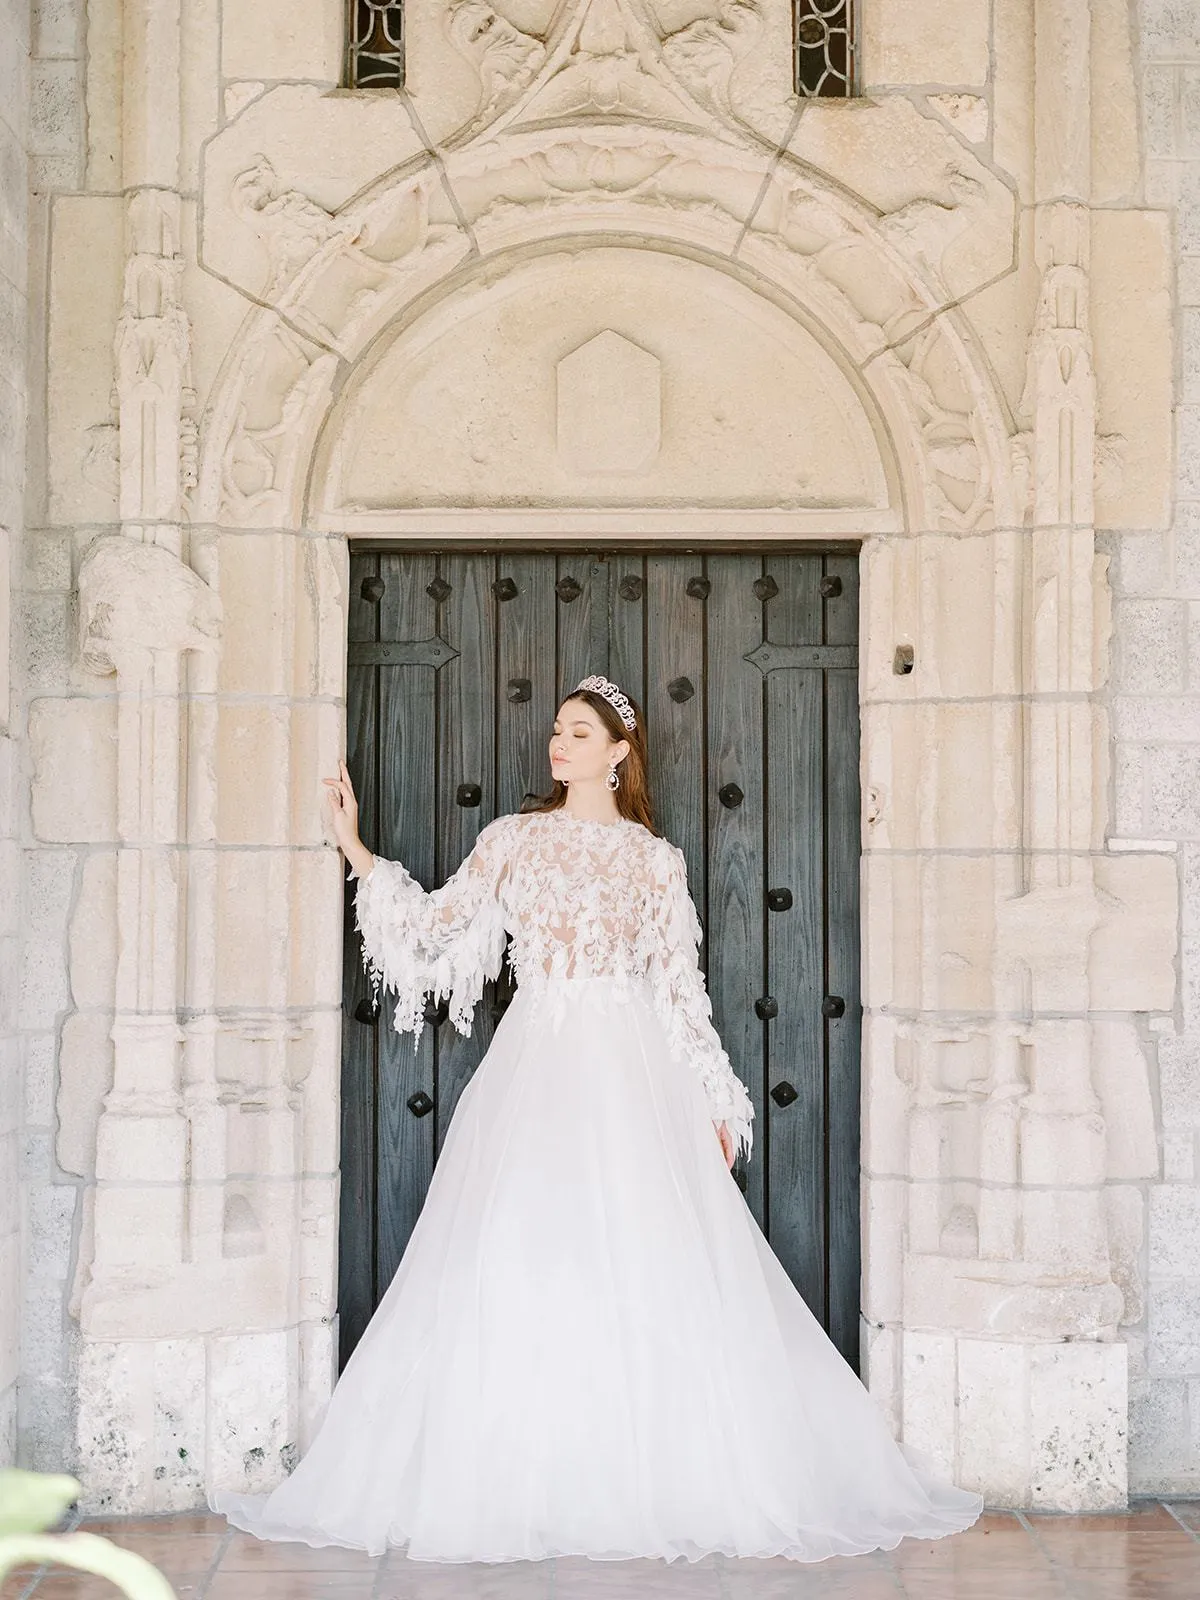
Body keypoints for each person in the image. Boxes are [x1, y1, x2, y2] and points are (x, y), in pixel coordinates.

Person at [211, 674, 983, 1563]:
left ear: (620, 752)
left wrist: (715, 1098)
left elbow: (679, 990)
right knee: (521, 1249)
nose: (559, 743)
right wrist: (355, 849)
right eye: (556, 731)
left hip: (633, 1071)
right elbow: (433, 930)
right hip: (536, 1060)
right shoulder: (513, 841)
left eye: (579, 732)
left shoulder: (654, 860)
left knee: (651, 1255)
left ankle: (669, 1473)